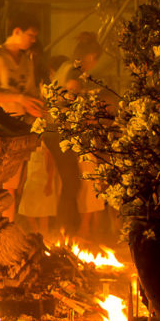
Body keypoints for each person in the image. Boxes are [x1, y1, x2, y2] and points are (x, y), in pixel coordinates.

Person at [54, 32, 107, 239]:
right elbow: (69, 103)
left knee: (71, 183)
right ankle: (69, 230)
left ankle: (66, 230)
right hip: (67, 136)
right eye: (96, 61)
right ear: (92, 57)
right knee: (77, 183)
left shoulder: (67, 68)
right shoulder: (74, 74)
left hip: (61, 134)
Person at [0, 11, 45, 119]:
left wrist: (35, 107)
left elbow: (29, 93)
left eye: (35, 36)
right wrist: (19, 98)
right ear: (17, 32)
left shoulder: (26, 61)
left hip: (20, 121)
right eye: (31, 35)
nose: (33, 40)